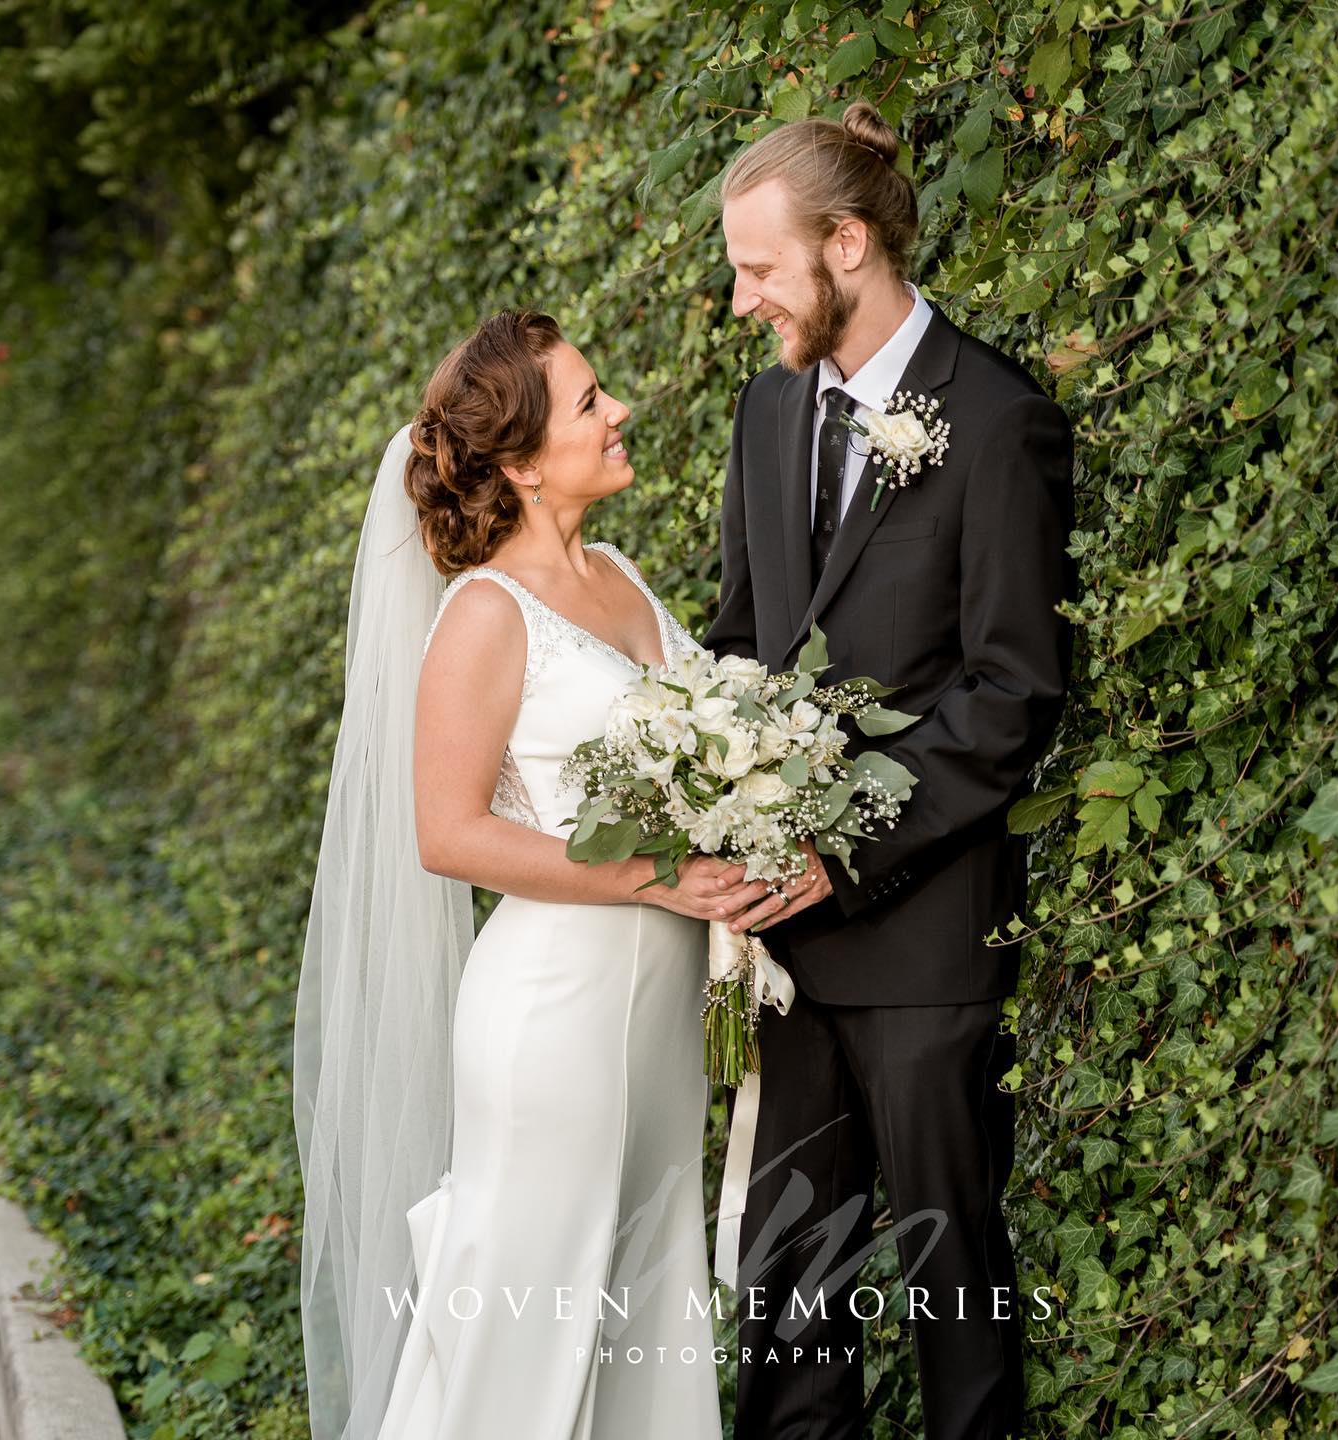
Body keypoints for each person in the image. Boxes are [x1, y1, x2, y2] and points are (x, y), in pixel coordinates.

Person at [293, 309, 768, 1440]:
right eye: (592, 403)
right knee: (531, 1315)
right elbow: (447, 834)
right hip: (553, 1015)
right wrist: (663, 877)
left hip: (655, 1015)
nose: (620, 414)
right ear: (518, 462)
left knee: (640, 1296)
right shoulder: (484, 617)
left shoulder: (619, 575)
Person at [703, 101, 1079, 1440]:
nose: (743, 299)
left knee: (954, 1302)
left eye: (761, 268)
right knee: (787, 1307)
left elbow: (1010, 692)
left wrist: (840, 846)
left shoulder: (997, 420)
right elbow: (745, 640)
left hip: (924, 945)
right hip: (787, 962)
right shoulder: (764, 417)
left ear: (848, 244)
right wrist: (719, 795)